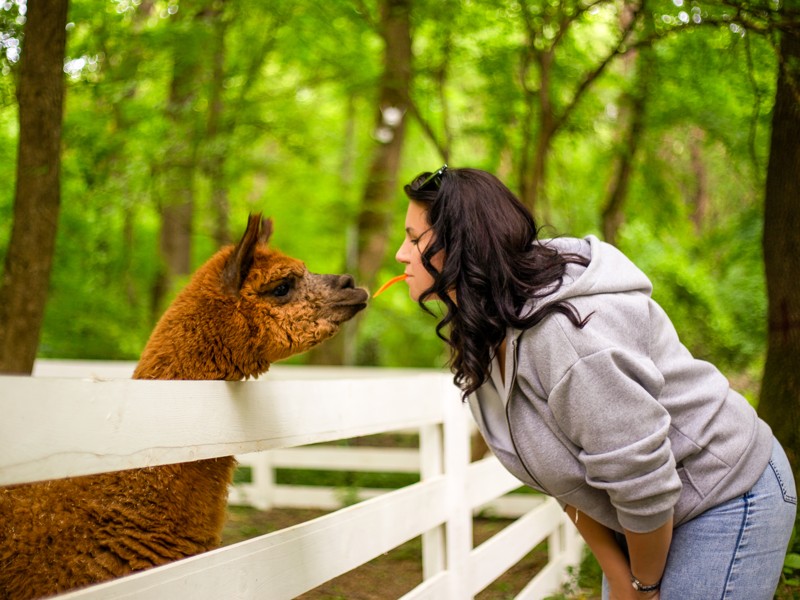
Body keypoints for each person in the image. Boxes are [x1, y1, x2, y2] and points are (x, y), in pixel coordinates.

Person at [394, 165, 797, 600]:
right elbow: (564, 477)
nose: (401, 254)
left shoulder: (568, 339)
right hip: (647, 514)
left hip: (725, 490)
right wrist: (621, 577)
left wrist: (643, 585)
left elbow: (643, 483)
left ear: (462, 246)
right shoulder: (487, 330)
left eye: (415, 239)